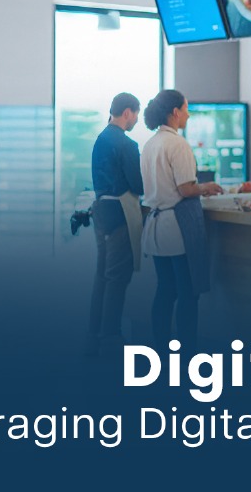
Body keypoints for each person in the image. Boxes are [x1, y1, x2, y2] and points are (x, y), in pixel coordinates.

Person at [139, 89, 223, 350]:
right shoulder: (177, 144)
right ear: (175, 112)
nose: (188, 114)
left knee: (166, 290)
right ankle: (188, 351)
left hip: (156, 226)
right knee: (188, 293)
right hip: (177, 227)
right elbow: (186, 189)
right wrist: (206, 187)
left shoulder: (151, 143)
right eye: (186, 109)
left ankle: (161, 348)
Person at [86, 92, 144, 356]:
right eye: (136, 115)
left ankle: (95, 332)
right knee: (117, 277)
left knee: (103, 275)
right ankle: (111, 334)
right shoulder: (126, 144)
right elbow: (138, 184)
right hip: (120, 213)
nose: (136, 121)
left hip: (101, 212)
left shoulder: (100, 139)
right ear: (128, 112)